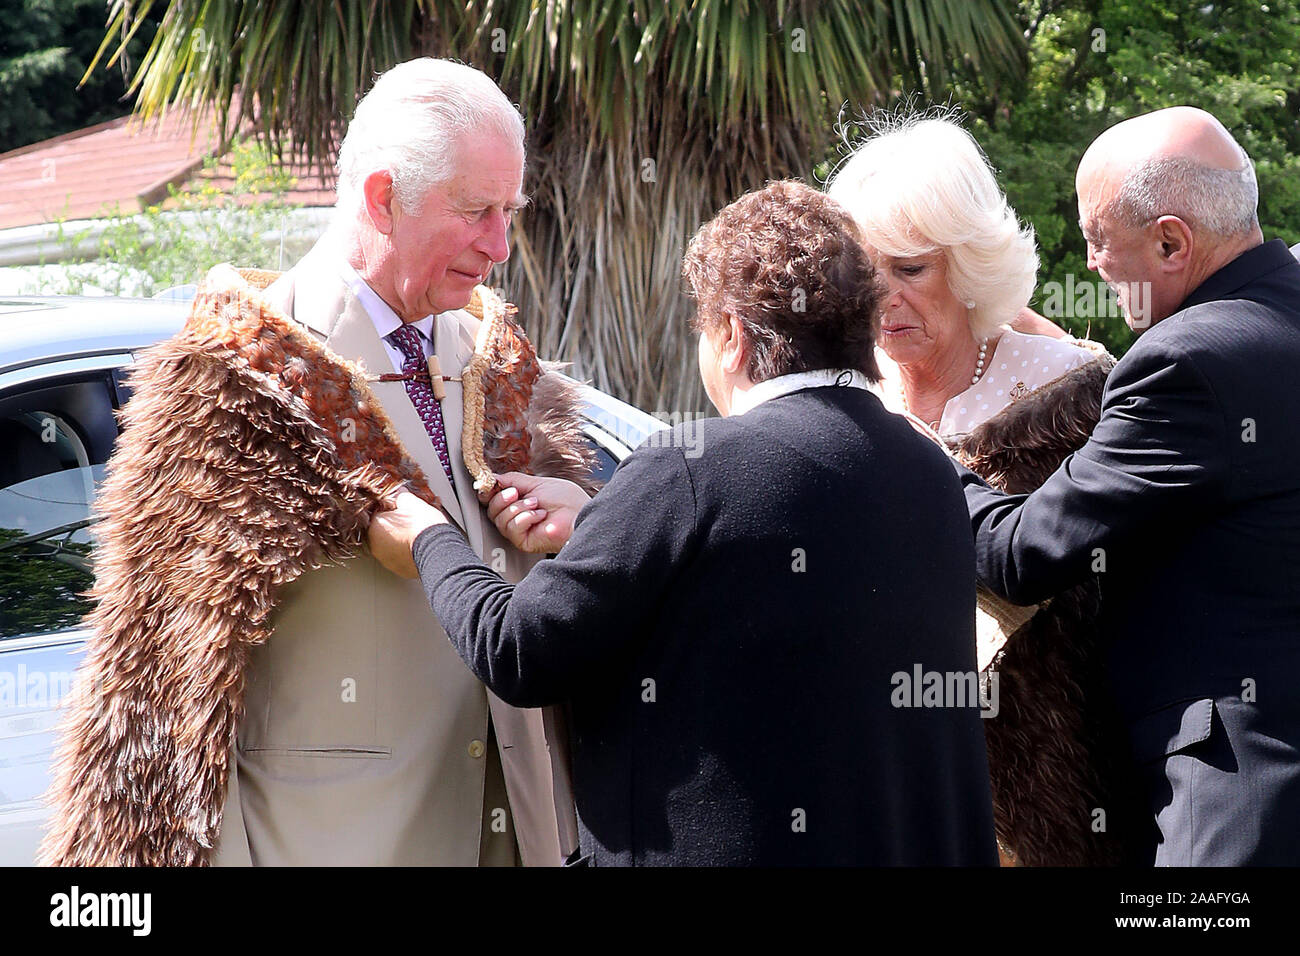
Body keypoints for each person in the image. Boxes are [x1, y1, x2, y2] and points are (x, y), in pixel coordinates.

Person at [367, 181, 999, 866]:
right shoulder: (930, 471)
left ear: (729, 334)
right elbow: (763, 606)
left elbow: (519, 652)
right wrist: (600, 528)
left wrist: (430, 536)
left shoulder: (692, 468)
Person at [211, 58, 577, 866]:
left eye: (508, 211)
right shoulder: (241, 366)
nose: (501, 245)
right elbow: (176, 681)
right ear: (383, 197)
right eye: (478, 211)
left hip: (513, 834)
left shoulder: (497, 359)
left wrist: (575, 523)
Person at [956, 106, 1300, 865]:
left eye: (1097, 240)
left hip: (1240, 793)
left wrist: (932, 463)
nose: (1090, 266)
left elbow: (1020, 556)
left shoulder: (1188, 362)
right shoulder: (1275, 317)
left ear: (1171, 240)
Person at [826, 115, 1097, 437]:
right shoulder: (839, 389)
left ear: (970, 266)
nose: (883, 298)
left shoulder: (1062, 383)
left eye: (910, 269)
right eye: (865, 273)